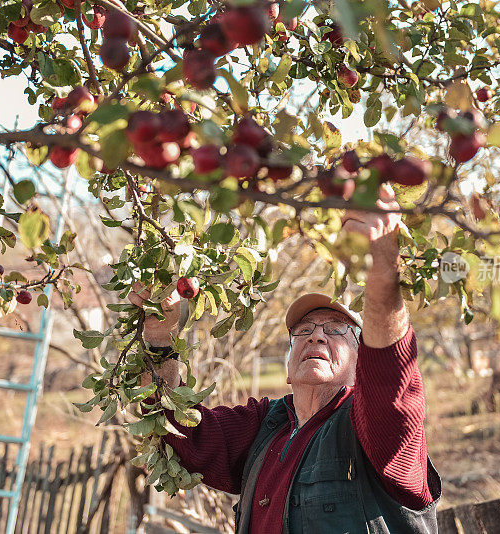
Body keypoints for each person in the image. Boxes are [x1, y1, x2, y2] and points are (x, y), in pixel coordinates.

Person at [129, 184, 441, 533]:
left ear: (359, 363)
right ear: (289, 367)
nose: (316, 335)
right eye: (304, 330)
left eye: (336, 329)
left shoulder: (366, 427)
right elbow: (181, 430)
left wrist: (382, 274)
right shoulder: (266, 426)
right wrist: (159, 337)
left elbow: (392, 392)